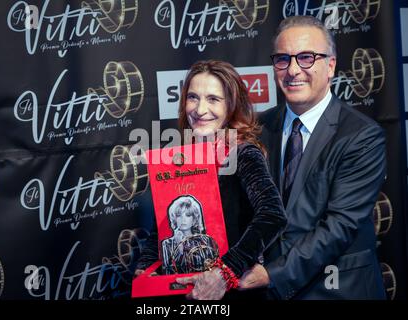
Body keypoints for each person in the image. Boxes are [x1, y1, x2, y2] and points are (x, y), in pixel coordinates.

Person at [239, 15, 387, 299]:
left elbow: (339, 226)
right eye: (283, 59)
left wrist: (272, 274)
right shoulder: (257, 129)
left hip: (336, 291)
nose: (293, 70)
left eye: (306, 58)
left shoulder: (362, 136)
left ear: (330, 65)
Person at [135, 60, 287, 300]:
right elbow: (164, 228)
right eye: (193, 97)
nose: (200, 109)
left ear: (231, 106)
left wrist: (224, 273)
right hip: (185, 294)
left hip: (233, 293)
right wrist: (145, 269)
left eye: (213, 99)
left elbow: (273, 215)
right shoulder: (179, 156)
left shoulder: (242, 153)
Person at [161, 195, 218, 275]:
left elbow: (213, 266)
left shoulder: (205, 240)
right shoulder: (167, 244)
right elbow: (168, 272)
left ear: (194, 218)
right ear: (174, 218)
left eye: (188, 215)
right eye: (179, 215)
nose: (183, 219)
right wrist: (179, 247)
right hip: (180, 285)